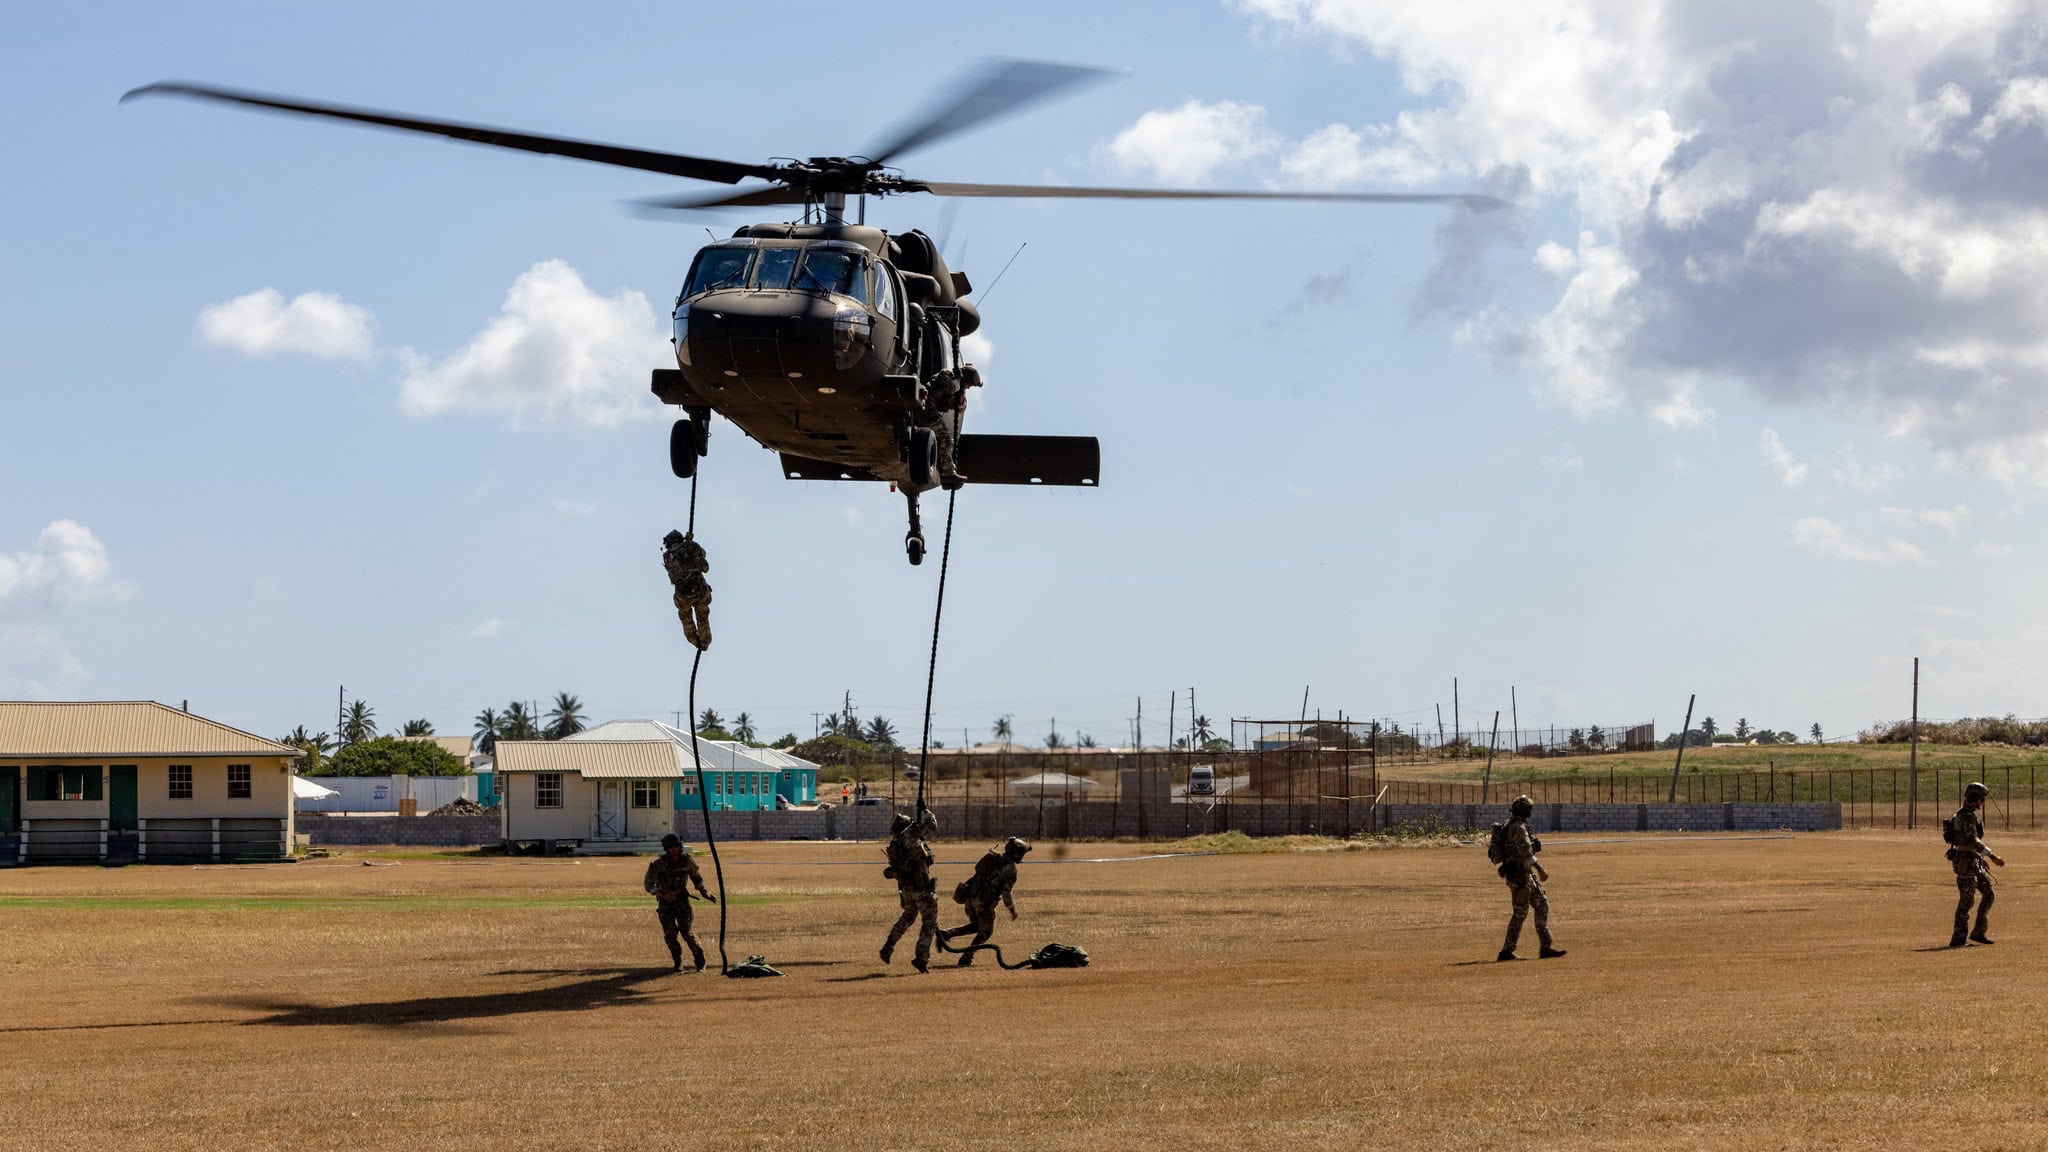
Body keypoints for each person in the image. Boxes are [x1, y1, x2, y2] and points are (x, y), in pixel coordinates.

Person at [943, 836, 1031, 966]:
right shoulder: (1010, 868)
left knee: (977, 926)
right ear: (1017, 854)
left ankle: (946, 934)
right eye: (1022, 854)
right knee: (986, 931)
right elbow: (1006, 893)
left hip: (970, 897)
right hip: (984, 903)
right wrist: (1012, 910)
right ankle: (966, 958)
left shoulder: (995, 857)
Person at [1498, 795, 1566, 962]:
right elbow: (1526, 852)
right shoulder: (1518, 828)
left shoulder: (1510, 825)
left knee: (1541, 903)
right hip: (1520, 876)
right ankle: (1506, 951)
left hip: (1522, 874)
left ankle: (1546, 947)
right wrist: (1540, 869)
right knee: (1520, 913)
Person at [643, 833, 715, 972]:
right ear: (666, 848)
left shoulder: (687, 861)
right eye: (670, 847)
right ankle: (678, 962)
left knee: (687, 932)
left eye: (676, 846)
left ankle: (700, 962)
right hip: (665, 904)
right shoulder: (658, 864)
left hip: (682, 902)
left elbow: (696, 877)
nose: (673, 849)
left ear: (680, 847)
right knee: (670, 934)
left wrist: (704, 892)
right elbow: (648, 884)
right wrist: (658, 891)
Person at [880, 809, 940, 973]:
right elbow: (931, 828)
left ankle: (888, 946)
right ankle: (921, 957)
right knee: (929, 921)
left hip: (907, 888)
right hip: (921, 887)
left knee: (907, 917)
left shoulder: (894, 844)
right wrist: (928, 813)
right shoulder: (911, 835)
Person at [1948, 781, 2005, 947]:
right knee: (1966, 901)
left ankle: (1978, 932)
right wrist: (1992, 856)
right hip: (1965, 862)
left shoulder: (1970, 815)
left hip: (1973, 860)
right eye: (1981, 798)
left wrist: (1980, 858)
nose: (1983, 802)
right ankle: (1958, 938)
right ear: (1975, 798)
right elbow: (1972, 840)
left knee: (1988, 893)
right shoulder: (1965, 816)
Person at [661, 530, 712, 651]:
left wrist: (689, 543)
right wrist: (690, 543)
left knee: (685, 617)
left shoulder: (667, 557)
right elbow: (705, 566)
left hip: (683, 596)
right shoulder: (690, 547)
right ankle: (705, 641)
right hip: (700, 591)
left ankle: (695, 640)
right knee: (702, 615)